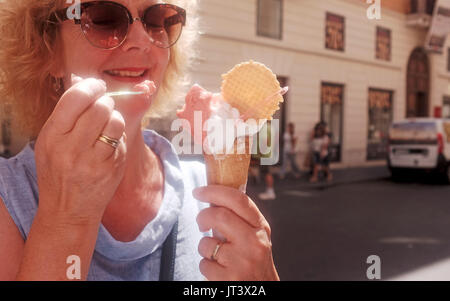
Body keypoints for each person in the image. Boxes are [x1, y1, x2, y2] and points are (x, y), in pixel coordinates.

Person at [0, 0, 279, 281]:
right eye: (103, 17)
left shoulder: (206, 186)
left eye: (157, 19)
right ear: (48, 49)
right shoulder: (7, 198)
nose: (142, 40)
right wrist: (66, 217)